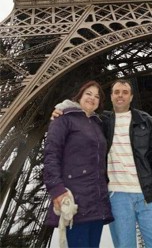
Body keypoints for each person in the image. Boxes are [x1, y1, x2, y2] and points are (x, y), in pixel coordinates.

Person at [52, 78, 152, 248]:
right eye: (116, 92)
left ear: (131, 97)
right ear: (110, 96)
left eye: (125, 92)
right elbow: (81, 111)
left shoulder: (145, 120)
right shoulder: (101, 121)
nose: (120, 96)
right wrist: (61, 107)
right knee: (124, 246)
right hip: (117, 195)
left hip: (146, 193)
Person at [44, 80, 113, 248]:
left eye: (97, 96)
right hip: (75, 198)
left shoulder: (99, 124)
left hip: (97, 201)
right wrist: (57, 190)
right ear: (79, 96)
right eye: (88, 93)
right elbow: (51, 154)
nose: (92, 98)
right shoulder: (64, 118)